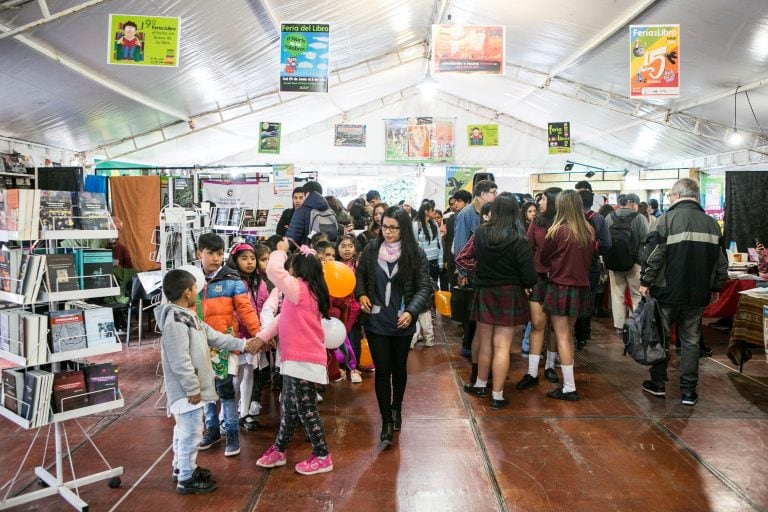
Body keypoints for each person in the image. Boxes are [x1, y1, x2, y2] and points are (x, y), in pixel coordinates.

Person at [155, 269, 263, 495]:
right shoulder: (175, 321)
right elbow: (179, 360)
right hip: (186, 392)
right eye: (195, 288)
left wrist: (243, 345)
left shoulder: (186, 315)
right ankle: (186, 478)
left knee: (184, 430)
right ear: (187, 292)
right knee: (191, 432)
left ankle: (182, 467)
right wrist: (192, 388)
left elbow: (213, 336)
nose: (198, 291)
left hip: (190, 390)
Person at [639, 178, 728, 406]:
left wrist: (646, 281)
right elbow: (721, 262)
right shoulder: (711, 223)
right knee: (691, 341)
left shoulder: (665, 220)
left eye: (669, 196)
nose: (669, 200)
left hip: (666, 291)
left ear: (677, 196)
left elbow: (653, 256)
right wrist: (716, 287)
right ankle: (689, 391)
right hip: (697, 293)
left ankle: (658, 383)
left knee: (661, 337)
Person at [255, 240, 335, 475]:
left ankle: (322, 455)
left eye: (291, 268)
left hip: (303, 362)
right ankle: (279, 450)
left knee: (306, 409)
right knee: (288, 406)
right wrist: (262, 337)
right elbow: (281, 320)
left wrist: (279, 250)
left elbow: (272, 270)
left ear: (297, 271)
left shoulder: (300, 289)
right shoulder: (303, 292)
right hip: (294, 360)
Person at [355, 206, 432, 447]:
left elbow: (424, 287)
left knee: (399, 369)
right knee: (382, 371)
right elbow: (360, 276)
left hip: (402, 321)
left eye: (393, 228)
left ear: (404, 229)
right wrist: (362, 295)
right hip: (377, 321)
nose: (387, 232)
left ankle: (396, 408)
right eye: (384, 226)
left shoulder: (415, 253)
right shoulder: (371, 249)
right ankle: (386, 420)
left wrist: (411, 310)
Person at [461, 195, 536, 408]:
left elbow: (466, 258)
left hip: (484, 291)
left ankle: (480, 384)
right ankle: (497, 395)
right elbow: (529, 276)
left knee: (485, 343)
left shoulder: (481, 233)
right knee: (502, 346)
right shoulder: (519, 238)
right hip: (509, 294)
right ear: (515, 213)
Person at [196, 233, 263, 457]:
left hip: (224, 344)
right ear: (199, 254)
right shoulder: (191, 280)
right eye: (210, 253)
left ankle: (232, 433)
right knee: (205, 390)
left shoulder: (233, 279)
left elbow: (246, 310)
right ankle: (212, 430)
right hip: (198, 346)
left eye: (219, 253)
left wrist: (260, 335)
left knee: (226, 391)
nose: (215, 258)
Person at [539, 190, 596, 401]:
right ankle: (568, 383)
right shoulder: (589, 231)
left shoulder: (558, 231)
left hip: (561, 286)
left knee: (561, 335)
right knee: (568, 335)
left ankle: (569, 387)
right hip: (580, 287)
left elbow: (543, 257)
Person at [516, 187, 561, 391]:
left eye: (542, 199)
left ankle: (550, 366)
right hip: (538, 279)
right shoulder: (537, 223)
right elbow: (528, 248)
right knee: (537, 324)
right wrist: (526, 279)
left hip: (560, 280)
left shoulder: (564, 224)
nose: (539, 202)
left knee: (555, 326)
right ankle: (532, 371)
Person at [227, 242, 272, 432]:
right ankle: (228, 415)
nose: (250, 263)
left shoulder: (259, 282)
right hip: (237, 336)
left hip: (254, 335)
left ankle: (244, 412)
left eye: (252, 258)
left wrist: (262, 332)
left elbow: (263, 306)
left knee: (249, 372)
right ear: (235, 260)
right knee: (234, 375)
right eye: (244, 259)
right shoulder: (232, 281)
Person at [453, 180, 498, 358]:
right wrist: (462, 272)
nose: (495, 195)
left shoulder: (489, 213)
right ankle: (468, 346)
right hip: (471, 270)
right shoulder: (466, 214)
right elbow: (460, 245)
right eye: (493, 192)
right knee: (471, 312)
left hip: (485, 272)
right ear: (482, 194)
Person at [573, 181, 612, 350]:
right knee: (588, 298)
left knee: (574, 299)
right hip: (592, 266)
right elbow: (607, 244)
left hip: (574, 266)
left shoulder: (572, 220)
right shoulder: (599, 219)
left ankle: (575, 330)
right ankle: (585, 333)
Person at [604, 192, 648, 337]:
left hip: (613, 262)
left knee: (617, 295)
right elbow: (646, 240)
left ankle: (619, 327)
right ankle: (635, 326)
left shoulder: (609, 217)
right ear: (634, 204)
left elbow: (605, 240)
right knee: (636, 295)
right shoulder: (640, 218)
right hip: (634, 264)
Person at [410, 200, 442, 348]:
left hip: (434, 261)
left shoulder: (434, 224)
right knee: (422, 290)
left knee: (431, 290)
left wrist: (441, 261)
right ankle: (420, 330)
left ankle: (428, 316)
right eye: (431, 209)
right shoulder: (416, 225)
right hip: (422, 262)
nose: (433, 212)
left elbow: (439, 243)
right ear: (425, 210)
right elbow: (414, 244)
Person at [518, 200, 538, 356]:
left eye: (534, 211)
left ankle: (527, 342)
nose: (532, 214)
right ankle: (526, 344)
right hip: (525, 273)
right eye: (529, 211)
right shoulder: (520, 229)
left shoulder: (538, 227)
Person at [442, 190, 472, 291]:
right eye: (454, 201)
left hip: (466, 258)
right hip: (453, 257)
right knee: (454, 288)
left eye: (458, 201)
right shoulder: (452, 218)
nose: (455, 203)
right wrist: (446, 258)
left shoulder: (473, 216)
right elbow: (449, 240)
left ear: (467, 202)